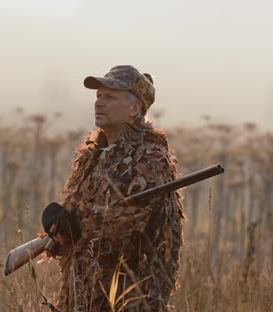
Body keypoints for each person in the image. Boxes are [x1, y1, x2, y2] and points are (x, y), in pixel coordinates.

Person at [48, 65, 184, 311]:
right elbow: (73, 220)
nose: (99, 103)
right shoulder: (91, 156)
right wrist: (55, 230)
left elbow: (131, 223)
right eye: (98, 96)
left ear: (134, 108)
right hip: (82, 297)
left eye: (110, 97)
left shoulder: (151, 158)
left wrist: (78, 222)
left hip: (129, 299)